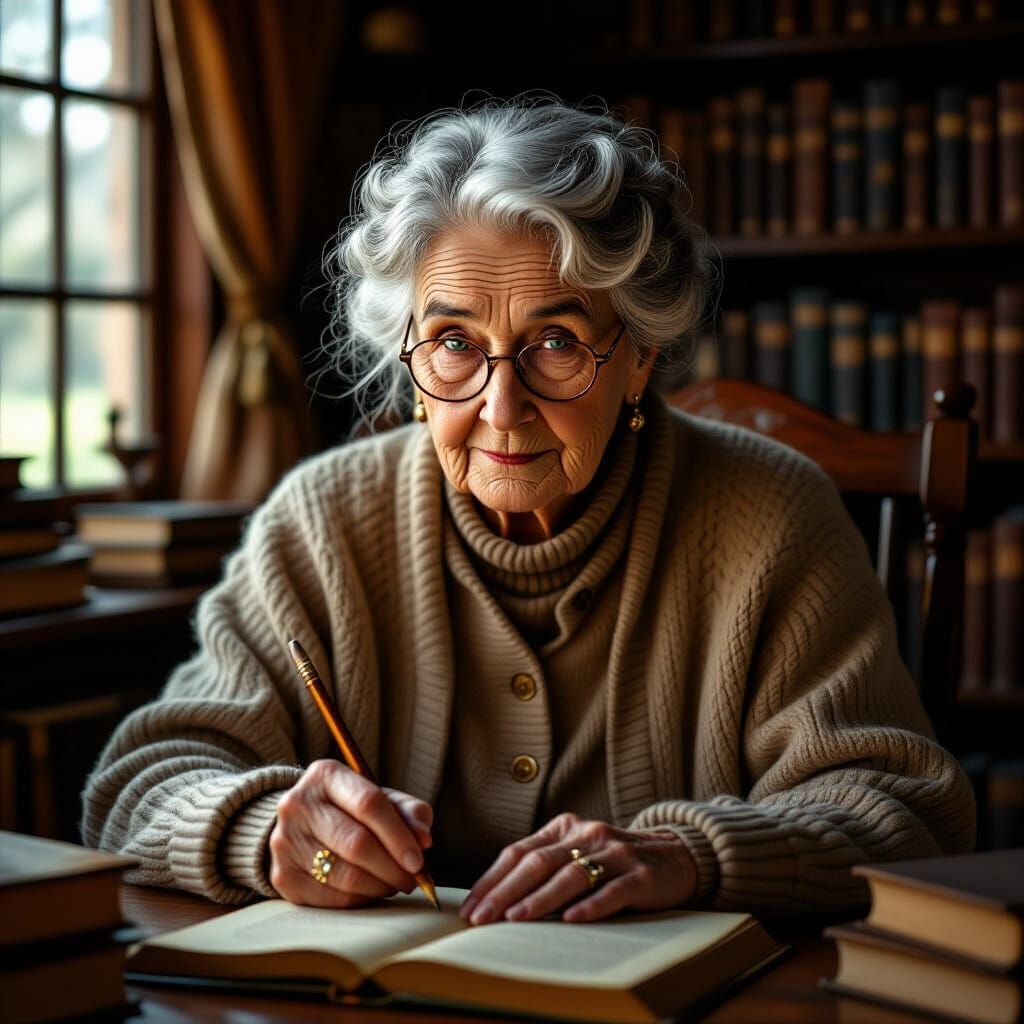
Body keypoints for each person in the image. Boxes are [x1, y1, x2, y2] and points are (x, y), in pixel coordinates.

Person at [82, 96, 975, 925]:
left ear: (640, 355)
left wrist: (693, 855)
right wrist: (265, 827)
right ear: (408, 360)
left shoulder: (772, 519)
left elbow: (908, 812)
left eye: (555, 342)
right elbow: (133, 788)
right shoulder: (321, 524)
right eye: (453, 342)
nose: (501, 408)